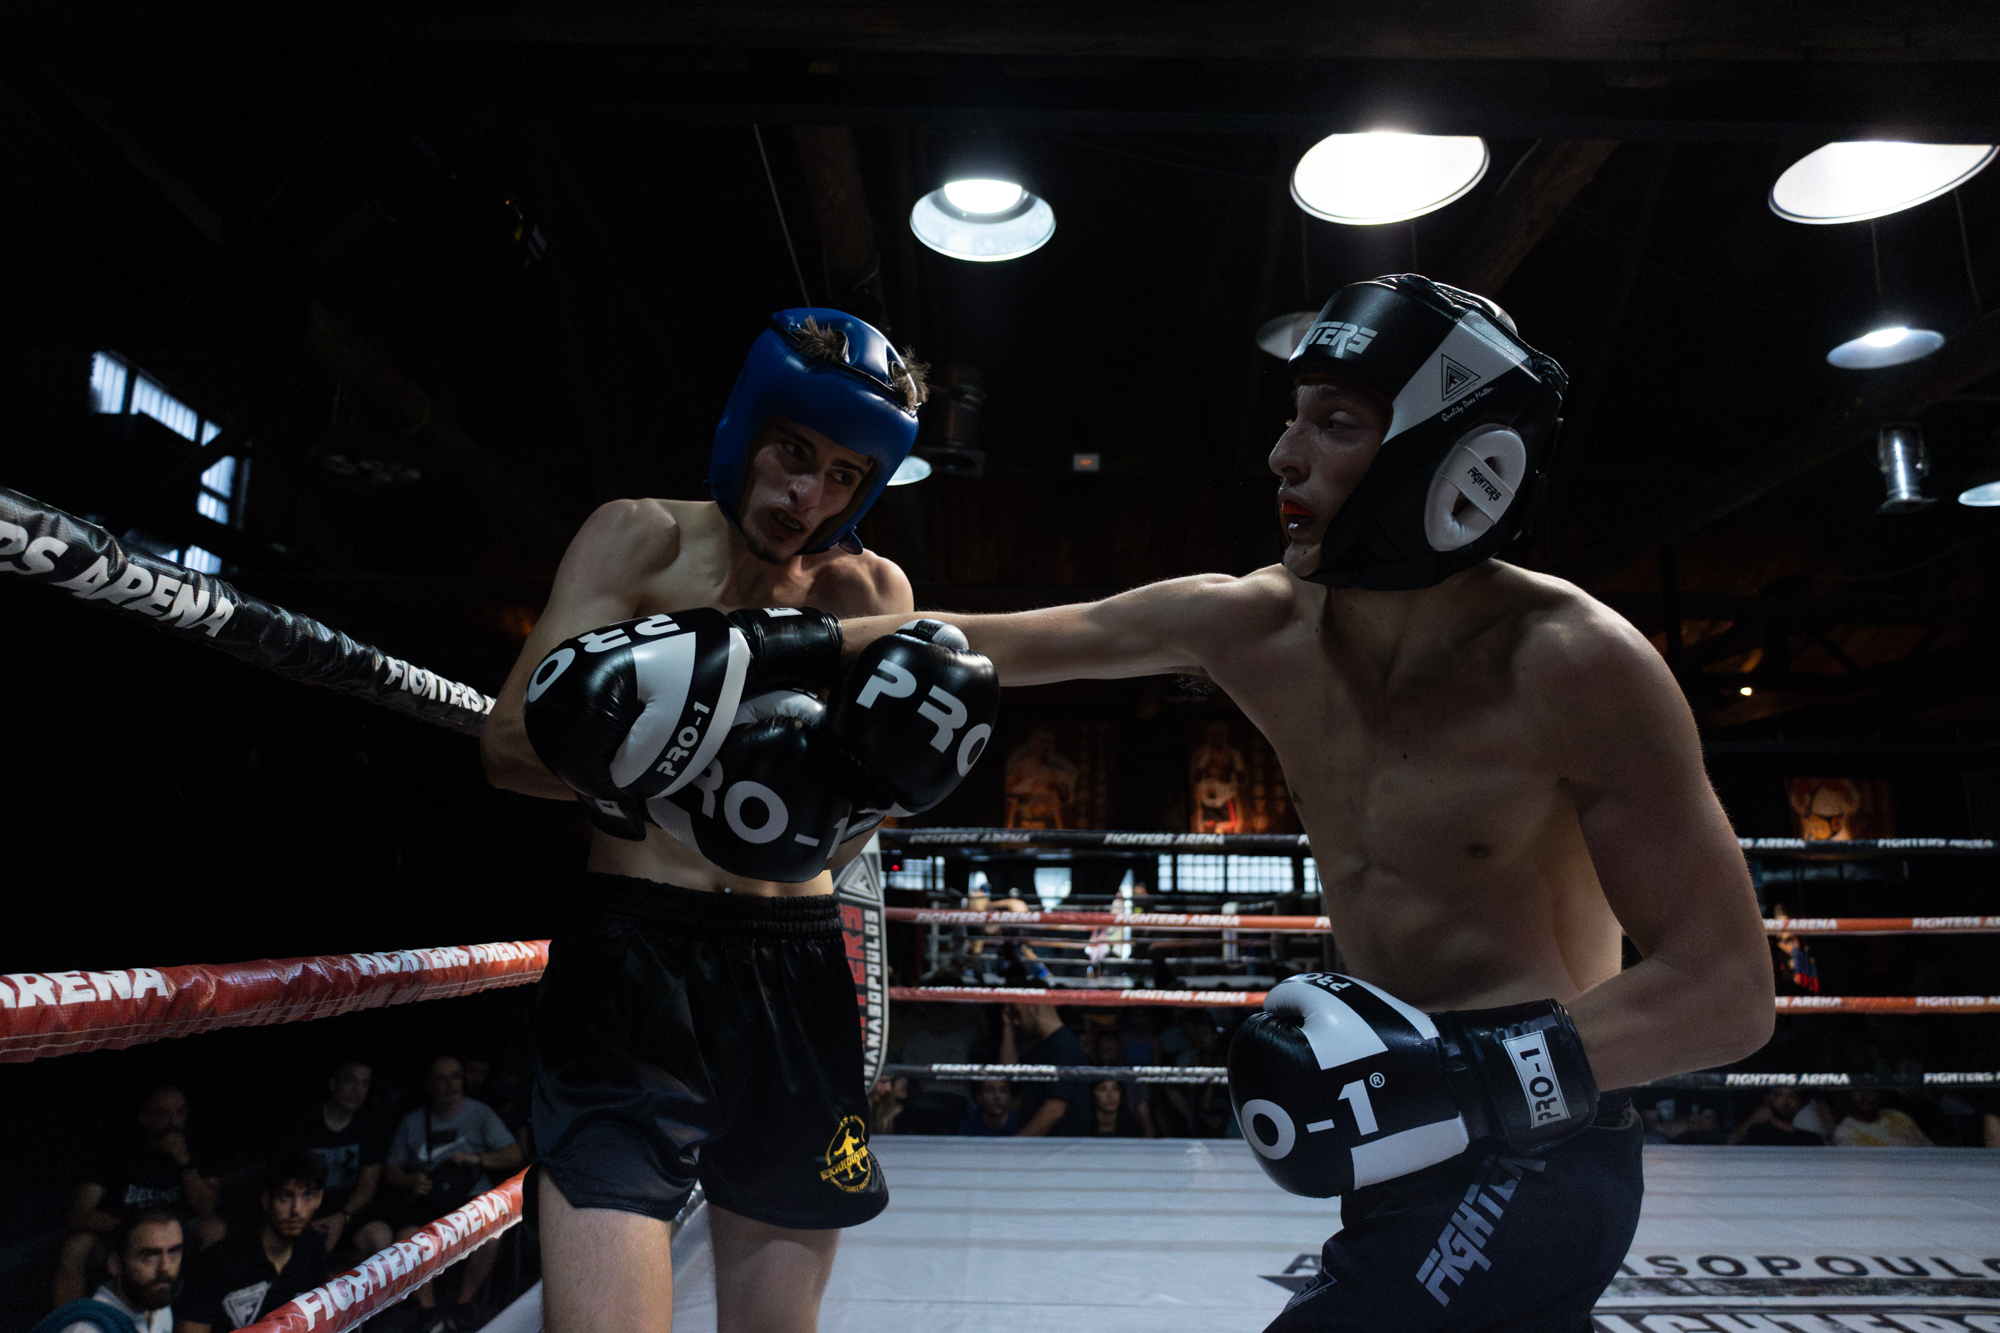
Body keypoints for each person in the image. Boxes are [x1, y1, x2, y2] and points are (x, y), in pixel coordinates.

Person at [837, 275, 1776, 1330]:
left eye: (1335, 423)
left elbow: (1728, 992)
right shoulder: (1258, 627)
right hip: (1389, 1137)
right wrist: (756, 639)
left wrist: (1457, 1076)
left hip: (1538, 1147)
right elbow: (977, 642)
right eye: (1293, 419)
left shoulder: (1574, 663)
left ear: (1462, 460)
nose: (1284, 455)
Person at [481, 309, 996, 1333]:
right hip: (630, 965)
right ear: (746, 428)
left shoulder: (870, 588)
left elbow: (850, 825)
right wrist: (688, 750)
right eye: (793, 453)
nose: (809, 495)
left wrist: (847, 796)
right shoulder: (638, 537)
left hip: (791, 965)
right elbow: (506, 747)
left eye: (844, 475)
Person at [383, 1056, 522, 1326]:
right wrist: (410, 1181)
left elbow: (514, 1154)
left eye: (455, 1077)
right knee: (406, 1237)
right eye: (441, 1079)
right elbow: (390, 1170)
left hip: (469, 1197)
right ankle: (428, 1312)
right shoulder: (413, 1121)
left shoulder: (480, 1113)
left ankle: (463, 1306)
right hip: (429, 1197)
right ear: (429, 1085)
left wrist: (478, 1159)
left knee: (492, 1229)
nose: (450, 1085)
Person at [53, 1085, 221, 1308]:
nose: (173, 1122)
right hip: (123, 1232)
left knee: (214, 1230)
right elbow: (80, 1214)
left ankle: (195, 1315)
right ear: (145, 1117)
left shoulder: (195, 1146)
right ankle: (69, 1320)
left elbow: (207, 1209)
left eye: (180, 1113)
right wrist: (127, 1228)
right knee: (76, 1246)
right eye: (163, 1114)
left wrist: (184, 1161)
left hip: (176, 1233)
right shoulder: (119, 1150)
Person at [178, 1154, 330, 1332]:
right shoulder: (221, 1261)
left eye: (307, 1196)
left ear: (319, 1198)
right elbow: (191, 1328)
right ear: (267, 1199)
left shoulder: (313, 1249)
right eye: (285, 1196)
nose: (295, 1209)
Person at [290, 1059, 392, 1260]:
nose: (357, 1090)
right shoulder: (305, 1124)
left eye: (364, 1083)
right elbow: (290, 1182)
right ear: (333, 1083)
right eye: (350, 1081)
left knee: (380, 1238)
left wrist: (342, 1216)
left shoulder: (370, 1126)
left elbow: (367, 1185)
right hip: (309, 1210)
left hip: (349, 1211)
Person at [33, 1209, 182, 1333]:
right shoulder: (87, 1329)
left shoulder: (159, 1309)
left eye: (173, 1252)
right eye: (149, 1256)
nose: (165, 1267)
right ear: (115, 1264)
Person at [1000, 1003, 1090, 1137]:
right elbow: (1008, 1076)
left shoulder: (1063, 1046)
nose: (1017, 1022)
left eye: (1019, 1014)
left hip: (1058, 1145)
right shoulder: (1041, 1046)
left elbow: (1055, 1109)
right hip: (1042, 1144)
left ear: (1034, 1007)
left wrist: (1017, 1143)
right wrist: (1008, 1027)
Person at [1831, 1090, 1934, 1147]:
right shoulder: (1844, 1133)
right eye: (1859, 1091)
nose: (1867, 1096)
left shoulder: (1897, 1117)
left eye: (1871, 1090)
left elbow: (1928, 1148)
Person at [1728, 1087, 1826, 1146]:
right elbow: (1731, 1145)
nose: (1786, 1101)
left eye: (1792, 1095)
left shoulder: (1812, 1140)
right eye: (1778, 1095)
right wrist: (1753, 1119)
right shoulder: (1757, 1135)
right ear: (1767, 1098)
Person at [955, 1080, 1021, 1136]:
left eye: (1003, 1090)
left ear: (1009, 1096)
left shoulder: (1021, 1125)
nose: (997, 1096)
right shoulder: (967, 1128)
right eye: (990, 1090)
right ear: (979, 1097)